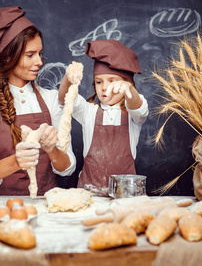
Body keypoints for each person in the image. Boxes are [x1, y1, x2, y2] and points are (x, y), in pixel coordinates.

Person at [0, 6, 76, 195]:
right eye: (30, 55)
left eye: (40, 54)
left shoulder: (51, 99)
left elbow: (68, 168)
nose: (40, 62)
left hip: (46, 206)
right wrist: (16, 161)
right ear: (9, 57)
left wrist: (52, 150)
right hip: (2, 208)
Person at [58, 39, 148, 196]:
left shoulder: (133, 116)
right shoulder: (89, 112)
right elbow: (64, 98)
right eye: (99, 82)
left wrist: (130, 90)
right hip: (89, 193)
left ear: (128, 83)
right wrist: (68, 77)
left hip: (125, 195)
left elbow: (138, 107)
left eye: (112, 81)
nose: (105, 87)